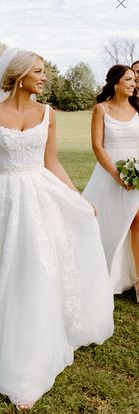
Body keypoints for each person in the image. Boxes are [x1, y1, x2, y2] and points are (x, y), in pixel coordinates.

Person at [0, 50, 114, 410]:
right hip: (4, 200)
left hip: (41, 198)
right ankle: (2, 338)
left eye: (44, 72)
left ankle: (32, 350)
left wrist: (78, 198)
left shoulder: (48, 114)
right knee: (3, 268)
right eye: (39, 71)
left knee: (39, 267)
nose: (44, 77)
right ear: (18, 76)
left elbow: (53, 162)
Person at [83, 65, 139, 301]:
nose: (133, 83)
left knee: (136, 220)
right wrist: (117, 176)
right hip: (109, 174)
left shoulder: (138, 108)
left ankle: (138, 281)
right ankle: (101, 273)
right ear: (115, 83)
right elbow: (97, 146)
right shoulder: (101, 110)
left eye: (134, 80)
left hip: (136, 173)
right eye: (128, 79)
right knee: (107, 223)